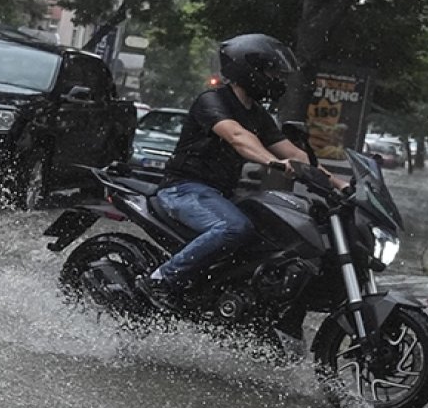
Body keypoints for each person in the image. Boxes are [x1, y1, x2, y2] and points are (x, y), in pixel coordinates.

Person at [136, 33, 343, 310]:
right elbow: (237, 136)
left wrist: (338, 183)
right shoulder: (212, 101)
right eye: (271, 71)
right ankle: (160, 280)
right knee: (233, 227)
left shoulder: (258, 115)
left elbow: (293, 152)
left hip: (220, 194)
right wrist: (273, 163)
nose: (277, 79)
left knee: (272, 234)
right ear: (250, 70)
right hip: (183, 189)